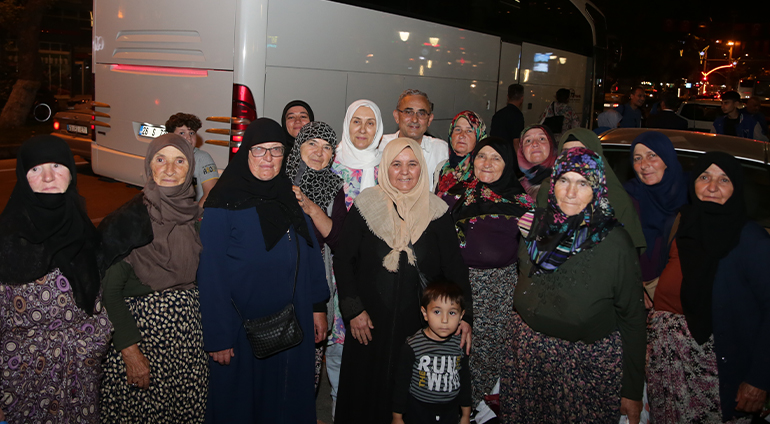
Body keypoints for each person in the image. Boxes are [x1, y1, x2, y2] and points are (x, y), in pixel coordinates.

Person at [500, 147, 646, 423]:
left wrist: (631, 389)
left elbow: (633, 318)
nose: (570, 192)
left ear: (597, 189)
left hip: (583, 366)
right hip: (528, 356)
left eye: (583, 183)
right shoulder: (535, 226)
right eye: (564, 180)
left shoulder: (615, 243)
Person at [198, 118, 329, 423]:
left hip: (293, 323)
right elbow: (211, 275)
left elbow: (310, 252)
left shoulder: (288, 195)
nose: (268, 158)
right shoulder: (221, 204)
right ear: (246, 152)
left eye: (276, 150)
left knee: (286, 401)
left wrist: (317, 306)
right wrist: (219, 337)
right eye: (259, 150)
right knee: (243, 405)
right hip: (241, 329)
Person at [334, 138, 472, 424]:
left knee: (409, 395)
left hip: (418, 328)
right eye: (396, 164)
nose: (405, 172)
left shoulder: (438, 212)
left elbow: (455, 270)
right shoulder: (365, 205)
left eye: (412, 164)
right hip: (368, 324)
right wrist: (354, 310)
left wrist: (466, 317)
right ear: (385, 167)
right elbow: (344, 260)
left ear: (422, 168)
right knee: (363, 397)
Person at [646, 152, 770, 423]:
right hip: (667, 361)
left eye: (723, 179)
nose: (712, 187)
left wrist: (759, 380)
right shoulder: (682, 224)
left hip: (717, 367)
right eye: (704, 177)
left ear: (736, 186)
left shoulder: (751, 240)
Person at [0, 135, 112, 423]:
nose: (48, 177)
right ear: (23, 176)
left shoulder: (84, 230)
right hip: (21, 384)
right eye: (36, 169)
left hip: (80, 381)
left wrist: (94, 343)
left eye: (57, 166)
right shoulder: (7, 237)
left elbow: (98, 298)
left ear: (71, 173)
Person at [98, 133, 209, 422]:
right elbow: (109, 291)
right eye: (161, 160)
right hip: (142, 340)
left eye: (180, 161)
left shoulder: (195, 219)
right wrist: (131, 351)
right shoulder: (128, 220)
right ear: (149, 165)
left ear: (191, 169)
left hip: (188, 343)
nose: (170, 169)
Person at [439, 136, 533, 421]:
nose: (487, 163)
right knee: (451, 352)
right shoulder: (454, 195)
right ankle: (449, 409)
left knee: (487, 355)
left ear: (507, 163)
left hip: (498, 291)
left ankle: (476, 412)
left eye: (496, 158)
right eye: (481, 156)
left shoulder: (523, 203)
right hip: (455, 287)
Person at [326, 99, 384, 417]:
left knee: (371, 347)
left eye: (370, 122)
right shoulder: (331, 165)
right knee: (337, 350)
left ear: (379, 128)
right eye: (356, 121)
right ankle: (339, 408)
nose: (362, 129)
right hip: (337, 271)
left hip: (377, 272)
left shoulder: (388, 166)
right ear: (346, 124)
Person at [285, 121, 343, 392]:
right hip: (279, 279)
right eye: (312, 144)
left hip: (315, 280)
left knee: (307, 368)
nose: (319, 152)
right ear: (299, 146)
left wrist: (310, 207)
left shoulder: (334, 187)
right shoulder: (278, 180)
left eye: (327, 147)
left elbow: (338, 239)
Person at [536, 128, 647, 253]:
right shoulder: (548, 189)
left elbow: (629, 252)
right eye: (566, 152)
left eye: (582, 153)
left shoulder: (616, 198)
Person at [392, 280, 472, 424]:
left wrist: (465, 415)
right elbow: (401, 385)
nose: (444, 320)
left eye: (452, 313)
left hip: (450, 412)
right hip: (418, 411)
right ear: (425, 313)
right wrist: (397, 417)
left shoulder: (459, 345)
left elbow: (465, 381)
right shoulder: (412, 346)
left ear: (461, 316)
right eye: (437, 312)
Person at [624, 131, 688, 303]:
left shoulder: (692, 198)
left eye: (652, 155)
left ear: (667, 158)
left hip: (677, 298)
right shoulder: (627, 199)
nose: (644, 165)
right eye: (637, 158)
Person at [378, 89, 448, 189]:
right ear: (396, 116)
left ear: (429, 120)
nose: (414, 119)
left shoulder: (441, 150)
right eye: (408, 112)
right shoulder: (380, 146)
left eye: (421, 113)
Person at [165, 112, 219, 206]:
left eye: (191, 133)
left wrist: (196, 213)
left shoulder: (202, 158)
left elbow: (210, 192)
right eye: (182, 133)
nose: (188, 138)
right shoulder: (163, 157)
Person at [435, 110, 486, 197]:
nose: (462, 135)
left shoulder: (483, 171)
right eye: (458, 129)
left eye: (469, 131)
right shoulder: (442, 167)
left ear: (479, 136)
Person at [517, 125, 558, 199]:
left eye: (542, 139)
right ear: (522, 150)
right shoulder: (514, 188)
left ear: (552, 144)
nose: (534, 144)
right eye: (528, 141)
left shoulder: (566, 182)